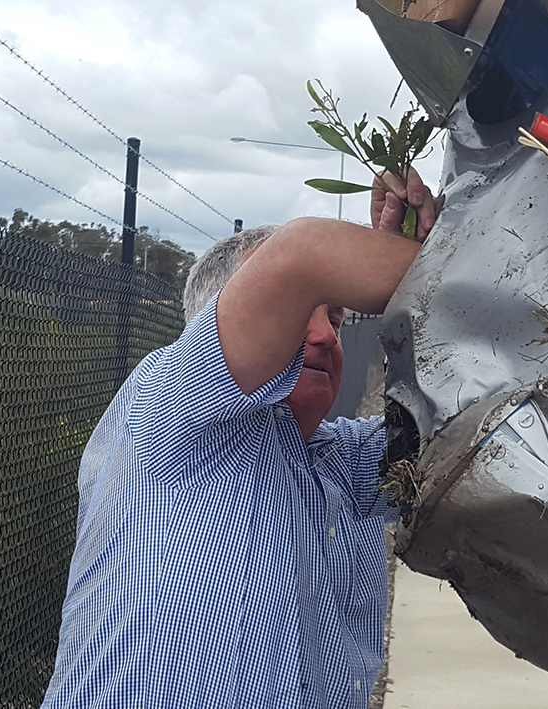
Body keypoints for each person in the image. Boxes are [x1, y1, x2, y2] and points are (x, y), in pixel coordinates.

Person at [41, 171, 440, 708]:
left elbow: (449, 424)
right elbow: (302, 255)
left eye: (339, 318)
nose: (325, 335)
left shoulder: (342, 459)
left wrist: (417, 310)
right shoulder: (165, 405)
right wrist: (443, 271)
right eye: (303, 313)